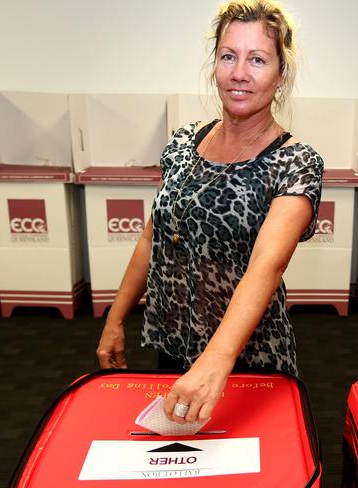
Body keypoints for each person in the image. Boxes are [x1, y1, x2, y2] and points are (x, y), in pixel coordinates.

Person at [96, 0, 323, 425]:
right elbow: (153, 236)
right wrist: (115, 317)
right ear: (214, 63)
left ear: (280, 75)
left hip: (247, 357)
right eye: (228, 56)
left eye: (257, 59)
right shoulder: (183, 142)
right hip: (173, 345)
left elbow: (266, 266)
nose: (240, 73)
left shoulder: (296, 162)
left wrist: (215, 363)